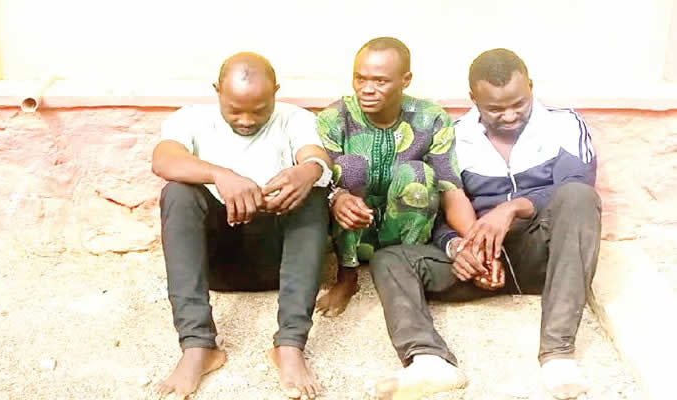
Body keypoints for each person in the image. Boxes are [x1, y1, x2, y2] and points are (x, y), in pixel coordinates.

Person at [368, 48, 600, 400]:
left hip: (543, 255)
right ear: (473, 98)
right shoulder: (454, 136)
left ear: (531, 86)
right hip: (480, 262)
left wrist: (512, 208)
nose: (509, 116)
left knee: (579, 198)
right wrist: (458, 247)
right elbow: (442, 211)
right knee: (389, 259)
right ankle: (429, 361)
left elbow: (577, 185)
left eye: (519, 104)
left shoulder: (565, 125)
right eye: (495, 109)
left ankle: (558, 353)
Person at [151, 52, 333, 400]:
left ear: (276, 92)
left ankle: (290, 345)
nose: (247, 120)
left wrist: (308, 171)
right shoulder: (190, 119)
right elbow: (163, 160)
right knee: (177, 193)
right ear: (217, 90)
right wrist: (221, 175)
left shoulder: (295, 119)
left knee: (312, 193)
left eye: (260, 110)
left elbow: (315, 156)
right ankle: (198, 346)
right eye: (234, 110)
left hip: (279, 264)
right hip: (216, 265)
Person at [315, 37, 463, 317]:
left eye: (380, 81)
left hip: (405, 235)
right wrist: (339, 197)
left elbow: (451, 187)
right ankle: (347, 277)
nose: (366, 89)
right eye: (360, 78)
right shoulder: (334, 118)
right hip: (351, 229)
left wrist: (472, 242)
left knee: (419, 173)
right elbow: (321, 180)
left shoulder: (431, 119)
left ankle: (406, 272)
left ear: (405, 80)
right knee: (348, 167)